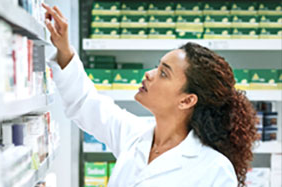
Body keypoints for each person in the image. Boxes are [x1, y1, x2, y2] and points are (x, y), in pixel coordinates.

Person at [42, 3, 258, 187]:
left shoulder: (214, 169)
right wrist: (64, 49)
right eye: (157, 66)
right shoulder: (135, 136)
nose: (149, 74)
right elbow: (85, 103)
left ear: (187, 100)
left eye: (164, 73)